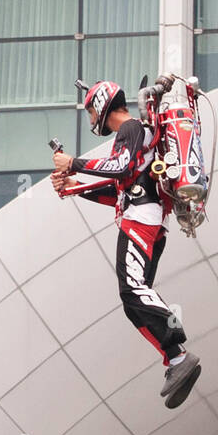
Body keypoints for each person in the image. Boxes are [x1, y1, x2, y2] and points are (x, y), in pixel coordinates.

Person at [51, 77, 201, 408]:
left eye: (91, 110)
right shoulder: (134, 135)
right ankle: (175, 359)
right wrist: (73, 185)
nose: (91, 119)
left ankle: (176, 337)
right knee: (131, 302)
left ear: (103, 103)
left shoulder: (131, 129)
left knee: (131, 290)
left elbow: (120, 169)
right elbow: (117, 190)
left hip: (141, 222)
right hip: (145, 221)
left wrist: (73, 163)